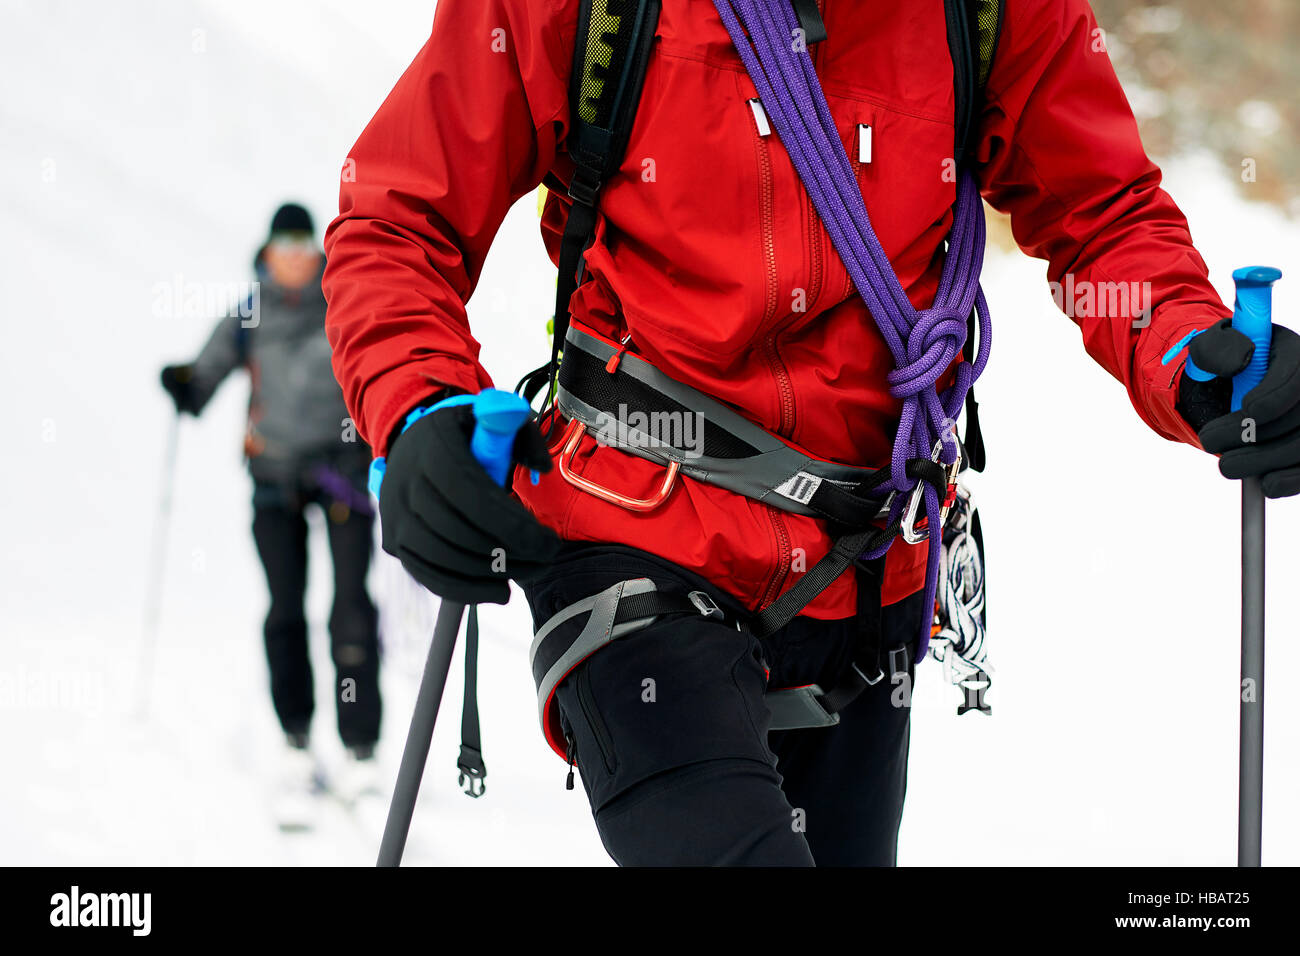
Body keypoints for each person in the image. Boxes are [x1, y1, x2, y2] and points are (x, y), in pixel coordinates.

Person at [321, 0, 1300, 865]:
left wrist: (1186, 349)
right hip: (631, 535)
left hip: (869, 563)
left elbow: (1099, 213)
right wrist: (418, 405)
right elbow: (400, 218)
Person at [161, 203, 382, 819]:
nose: (293, 253)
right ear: (268, 250)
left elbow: (373, 360)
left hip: (342, 472)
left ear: (315, 248)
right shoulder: (251, 309)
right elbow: (208, 372)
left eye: (302, 242)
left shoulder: (341, 297)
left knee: (351, 607)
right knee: (285, 606)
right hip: (274, 476)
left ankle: (361, 746)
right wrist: (187, 385)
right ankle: (296, 737)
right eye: (283, 243)